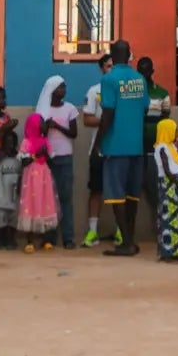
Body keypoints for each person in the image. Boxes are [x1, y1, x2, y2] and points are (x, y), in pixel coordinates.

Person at [98, 38, 149, 255]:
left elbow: (108, 113)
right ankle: (131, 239)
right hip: (136, 145)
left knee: (116, 194)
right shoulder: (140, 79)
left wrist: (98, 142)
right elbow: (145, 108)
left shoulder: (109, 80)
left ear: (112, 55)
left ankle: (126, 243)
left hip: (115, 145)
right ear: (129, 55)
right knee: (132, 194)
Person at [36, 78, 79, 250]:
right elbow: (38, 134)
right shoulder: (43, 110)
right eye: (61, 87)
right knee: (48, 199)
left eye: (64, 86)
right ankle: (49, 237)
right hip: (47, 159)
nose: (64, 89)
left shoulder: (70, 109)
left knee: (65, 198)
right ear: (52, 90)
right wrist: (46, 126)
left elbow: (74, 133)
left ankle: (68, 237)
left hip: (65, 157)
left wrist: (58, 127)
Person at [81, 52, 114, 247]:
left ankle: (121, 231)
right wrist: (107, 121)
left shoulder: (124, 90)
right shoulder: (94, 91)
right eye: (108, 66)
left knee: (120, 191)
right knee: (96, 190)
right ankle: (92, 232)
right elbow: (87, 119)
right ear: (102, 69)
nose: (111, 69)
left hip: (119, 149)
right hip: (98, 149)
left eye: (114, 66)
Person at [18, 111, 59, 251]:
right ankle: (29, 241)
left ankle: (46, 239)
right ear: (35, 125)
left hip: (44, 176)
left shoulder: (45, 141)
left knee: (45, 203)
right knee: (31, 204)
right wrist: (37, 154)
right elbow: (23, 161)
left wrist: (45, 153)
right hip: (31, 177)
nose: (44, 125)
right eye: (41, 122)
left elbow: (50, 158)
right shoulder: (26, 141)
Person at [137, 55, 171, 215]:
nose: (144, 75)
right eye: (140, 72)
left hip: (154, 148)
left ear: (152, 72)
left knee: (154, 186)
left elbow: (165, 117)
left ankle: (161, 224)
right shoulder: (132, 93)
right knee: (133, 188)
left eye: (146, 72)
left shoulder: (162, 93)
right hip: (135, 146)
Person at [153, 118, 178, 261]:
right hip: (168, 184)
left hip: (176, 182)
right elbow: (167, 169)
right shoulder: (161, 147)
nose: (176, 133)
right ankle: (167, 252)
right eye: (173, 130)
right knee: (168, 218)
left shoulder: (172, 147)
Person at [0, 129, 21, 248]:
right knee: (0, 219)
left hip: (14, 195)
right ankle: (1, 239)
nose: (10, 145)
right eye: (7, 143)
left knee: (13, 219)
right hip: (1, 194)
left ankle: (11, 239)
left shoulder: (19, 158)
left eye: (12, 143)